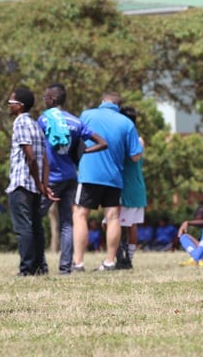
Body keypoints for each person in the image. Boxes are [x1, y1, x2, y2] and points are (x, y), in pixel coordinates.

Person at [37, 83, 107, 274]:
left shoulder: (44, 120)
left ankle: (39, 264)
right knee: (67, 222)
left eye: (45, 98)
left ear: (52, 99)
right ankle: (65, 267)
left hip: (49, 178)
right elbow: (103, 143)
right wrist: (83, 152)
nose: (44, 101)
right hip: (70, 176)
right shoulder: (76, 122)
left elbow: (36, 148)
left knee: (35, 219)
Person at [72, 91, 143, 272]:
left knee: (80, 215)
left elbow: (75, 139)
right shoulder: (126, 123)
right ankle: (110, 261)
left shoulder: (87, 115)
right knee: (112, 218)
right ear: (118, 106)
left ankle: (78, 263)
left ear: (102, 101)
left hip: (89, 174)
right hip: (114, 177)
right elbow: (135, 157)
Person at [6, 87, 56, 276]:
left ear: (19, 106)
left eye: (11, 103)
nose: (8, 106)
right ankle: (39, 266)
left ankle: (26, 268)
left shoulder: (20, 122)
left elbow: (31, 157)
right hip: (35, 185)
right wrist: (43, 184)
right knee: (36, 227)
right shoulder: (36, 124)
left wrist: (37, 181)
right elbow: (44, 158)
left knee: (23, 228)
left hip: (22, 182)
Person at [115, 106, 147, 269]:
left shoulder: (130, 138)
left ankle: (124, 259)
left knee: (115, 223)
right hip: (137, 187)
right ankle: (126, 258)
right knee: (130, 225)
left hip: (127, 188)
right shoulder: (138, 138)